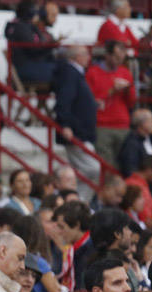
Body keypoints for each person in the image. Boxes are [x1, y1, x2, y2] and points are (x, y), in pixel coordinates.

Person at [54, 46, 99, 199]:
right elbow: (64, 100)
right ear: (76, 57)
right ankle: (75, 198)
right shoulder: (70, 73)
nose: (88, 57)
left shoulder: (75, 73)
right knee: (93, 168)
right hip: (76, 131)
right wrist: (65, 124)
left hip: (81, 131)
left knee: (89, 169)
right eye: (85, 54)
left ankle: (76, 199)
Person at [88, 41, 135, 172]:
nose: (119, 61)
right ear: (107, 55)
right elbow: (91, 101)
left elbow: (131, 102)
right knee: (107, 166)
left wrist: (127, 89)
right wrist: (111, 91)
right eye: (116, 57)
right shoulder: (93, 73)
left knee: (126, 165)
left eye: (122, 58)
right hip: (102, 124)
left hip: (123, 124)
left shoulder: (125, 73)